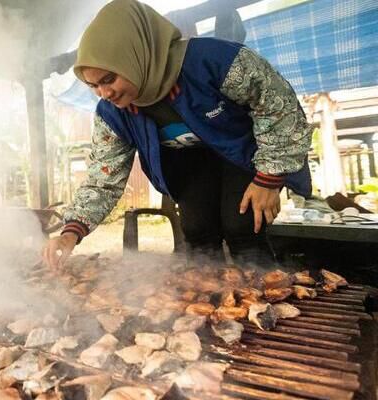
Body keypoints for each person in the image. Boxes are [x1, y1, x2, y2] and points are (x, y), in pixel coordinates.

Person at [43, 0, 312, 269]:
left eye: (109, 79)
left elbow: (280, 108)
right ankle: (210, 300)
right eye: (93, 86)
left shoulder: (216, 62)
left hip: (242, 154)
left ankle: (263, 294)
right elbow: (103, 178)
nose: (105, 94)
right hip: (189, 164)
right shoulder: (112, 113)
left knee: (242, 225)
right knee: (197, 230)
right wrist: (70, 233)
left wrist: (269, 179)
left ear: (136, 55)